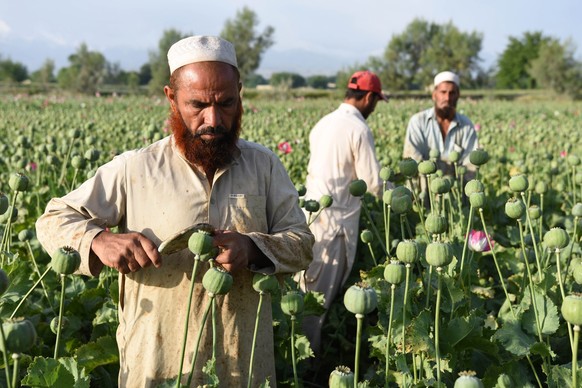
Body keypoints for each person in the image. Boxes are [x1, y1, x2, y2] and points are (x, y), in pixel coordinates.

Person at [35, 35, 314, 387]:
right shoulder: (135, 169)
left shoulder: (264, 167)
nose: (213, 119)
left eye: (226, 103)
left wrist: (253, 248)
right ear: (171, 98)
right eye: (197, 104)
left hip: (243, 363)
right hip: (156, 362)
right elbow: (53, 219)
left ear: (240, 93)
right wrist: (99, 241)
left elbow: (302, 243)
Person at [296, 70, 390, 354]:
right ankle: (305, 365)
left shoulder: (323, 123)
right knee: (315, 307)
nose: (374, 108)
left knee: (305, 295)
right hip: (335, 227)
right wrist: (400, 194)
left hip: (308, 219)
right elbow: (373, 183)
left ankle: (296, 357)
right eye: (376, 102)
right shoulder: (359, 129)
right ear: (370, 97)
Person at [403, 70, 479, 176]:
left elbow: (470, 165)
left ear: (458, 95)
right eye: (443, 92)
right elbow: (412, 160)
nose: (447, 98)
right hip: (422, 189)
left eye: (452, 93)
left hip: (455, 189)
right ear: (434, 95)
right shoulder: (418, 122)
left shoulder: (467, 126)